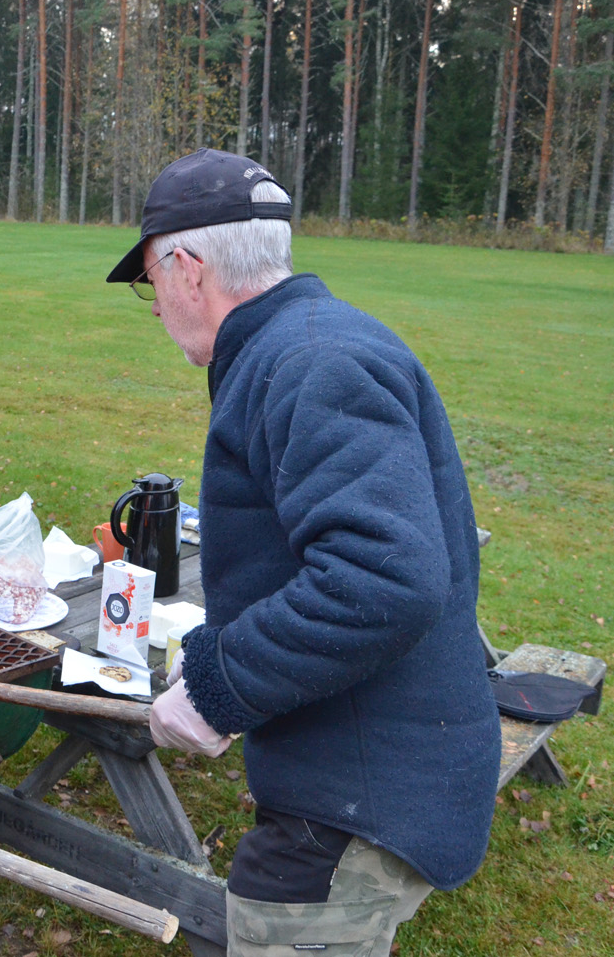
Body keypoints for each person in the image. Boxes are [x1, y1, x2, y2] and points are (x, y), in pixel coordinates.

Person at [108, 149, 500, 955]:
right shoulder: (298, 343)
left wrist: (221, 686)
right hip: (366, 760)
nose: (153, 306)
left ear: (187, 268)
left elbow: (383, 576)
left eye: (149, 279)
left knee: (276, 917)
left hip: (368, 790)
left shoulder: (313, 360)